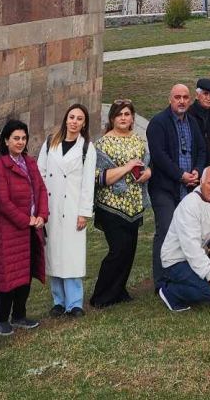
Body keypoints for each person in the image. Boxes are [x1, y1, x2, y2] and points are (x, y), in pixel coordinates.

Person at [155, 165, 210, 312]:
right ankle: (169, 291)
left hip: (201, 255)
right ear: (201, 183)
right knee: (206, 292)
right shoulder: (190, 205)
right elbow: (191, 249)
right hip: (178, 261)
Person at [0, 118, 48, 335]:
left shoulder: (29, 162)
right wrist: (27, 220)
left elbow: (40, 189)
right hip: (9, 231)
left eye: (23, 138)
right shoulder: (0, 168)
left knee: (26, 272)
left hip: (31, 229)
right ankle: (2, 320)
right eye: (16, 138)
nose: (20, 142)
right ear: (6, 140)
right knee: (9, 275)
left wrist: (42, 214)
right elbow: (3, 203)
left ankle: (20, 316)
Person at [36, 102, 96, 317]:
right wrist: (40, 207)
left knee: (71, 256)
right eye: (72, 117)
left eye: (79, 119)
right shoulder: (50, 142)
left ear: (84, 123)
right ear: (65, 118)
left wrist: (83, 212)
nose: (74, 122)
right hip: (51, 208)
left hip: (72, 209)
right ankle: (58, 301)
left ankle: (75, 303)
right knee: (54, 254)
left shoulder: (87, 148)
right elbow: (40, 174)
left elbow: (88, 183)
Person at [146, 83, 206, 290]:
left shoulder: (192, 122)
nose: (182, 101)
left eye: (185, 97)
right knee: (166, 230)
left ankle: (183, 274)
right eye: (177, 97)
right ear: (169, 99)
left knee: (189, 232)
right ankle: (161, 281)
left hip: (189, 187)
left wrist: (198, 170)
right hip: (165, 188)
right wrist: (181, 175)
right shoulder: (158, 123)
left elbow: (201, 149)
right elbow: (159, 156)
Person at [91, 99, 149, 308]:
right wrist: (128, 167)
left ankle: (119, 290)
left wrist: (147, 172)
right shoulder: (103, 144)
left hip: (133, 204)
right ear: (112, 119)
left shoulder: (138, 140)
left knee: (129, 251)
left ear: (133, 118)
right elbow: (99, 177)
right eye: (119, 115)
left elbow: (146, 165)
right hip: (111, 205)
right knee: (118, 250)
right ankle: (101, 295)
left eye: (127, 114)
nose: (124, 118)